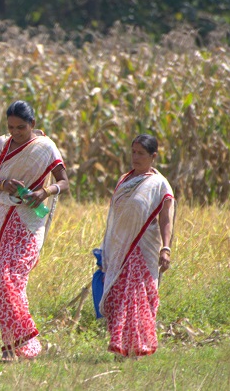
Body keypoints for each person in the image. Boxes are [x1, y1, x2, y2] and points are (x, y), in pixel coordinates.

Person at [0, 100, 69, 363]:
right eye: (11, 127)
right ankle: (12, 347)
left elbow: (64, 181)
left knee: (10, 281)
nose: (16, 132)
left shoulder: (45, 148)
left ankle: (21, 343)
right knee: (5, 285)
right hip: (4, 218)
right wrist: (2, 184)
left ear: (33, 125)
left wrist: (44, 192)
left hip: (30, 220)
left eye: (21, 127)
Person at [100, 134, 174, 358]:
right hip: (120, 247)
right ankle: (121, 346)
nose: (135, 157)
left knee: (137, 295)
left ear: (153, 156)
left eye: (141, 153)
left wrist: (166, 248)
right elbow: (116, 216)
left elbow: (165, 219)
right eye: (133, 152)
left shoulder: (159, 184)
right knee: (119, 294)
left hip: (144, 247)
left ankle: (138, 347)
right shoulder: (124, 180)